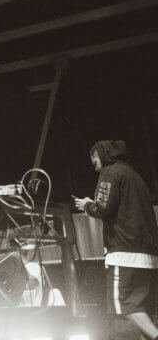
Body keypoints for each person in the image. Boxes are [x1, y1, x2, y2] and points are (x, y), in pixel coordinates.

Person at [74, 140, 158, 340]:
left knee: (125, 305)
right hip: (149, 256)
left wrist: (87, 205)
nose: (94, 165)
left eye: (95, 160)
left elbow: (103, 209)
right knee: (143, 309)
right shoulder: (134, 176)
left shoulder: (110, 173)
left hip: (125, 254)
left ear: (103, 155)